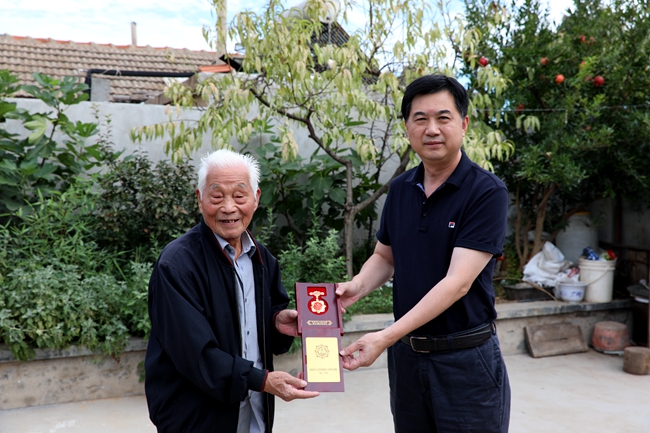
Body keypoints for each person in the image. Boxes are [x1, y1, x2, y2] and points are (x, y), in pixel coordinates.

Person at [336, 74, 511, 433]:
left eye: (443, 118)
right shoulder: (401, 188)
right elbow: (385, 257)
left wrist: (384, 336)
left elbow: (458, 283)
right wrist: (356, 288)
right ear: (407, 128)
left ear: (463, 124)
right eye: (420, 119)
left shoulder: (486, 192)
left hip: (465, 361)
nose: (432, 129)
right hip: (407, 360)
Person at [145, 149, 319, 433]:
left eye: (239, 196)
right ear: (200, 199)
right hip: (197, 417)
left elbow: (257, 326)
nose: (228, 207)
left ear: (256, 198)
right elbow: (195, 353)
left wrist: (277, 323)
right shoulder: (176, 265)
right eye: (216, 197)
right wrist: (262, 380)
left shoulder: (262, 258)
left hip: (255, 410)